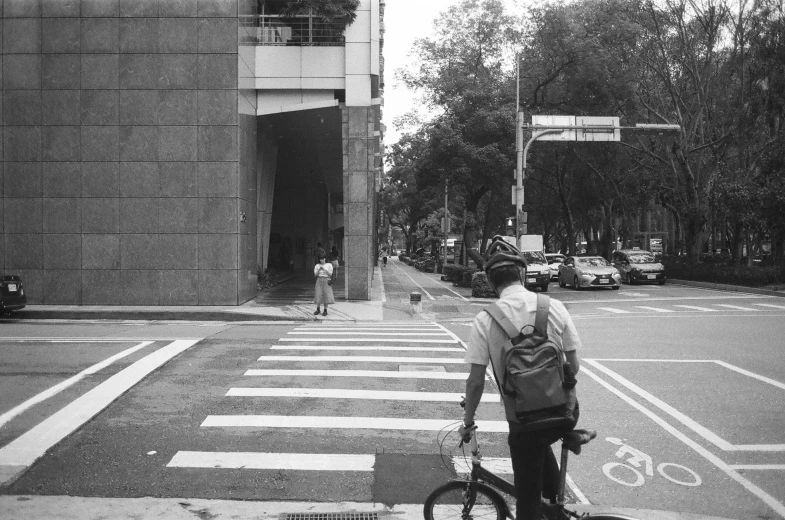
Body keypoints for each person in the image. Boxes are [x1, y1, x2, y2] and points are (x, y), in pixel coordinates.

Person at [459, 236, 582, 520]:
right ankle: (554, 509)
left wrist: (468, 422)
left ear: (491, 282)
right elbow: (573, 365)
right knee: (541, 443)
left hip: (523, 421)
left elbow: (475, 381)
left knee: (526, 504)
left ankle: (541, 510)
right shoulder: (554, 306)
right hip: (563, 413)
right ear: (523, 273)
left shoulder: (485, 320)